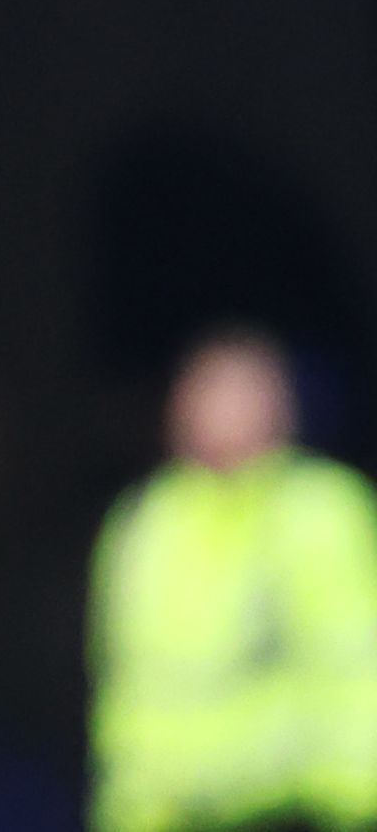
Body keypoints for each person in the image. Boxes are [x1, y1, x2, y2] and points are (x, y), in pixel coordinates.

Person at [91, 327, 377, 832]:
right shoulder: (150, 523)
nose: (217, 411)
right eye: (204, 394)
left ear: (278, 405)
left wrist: (351, 803)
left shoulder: (320, 512)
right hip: (177, 813)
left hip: (297, 808)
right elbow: (128, 685)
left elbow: (355, 667)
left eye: (238, 394)